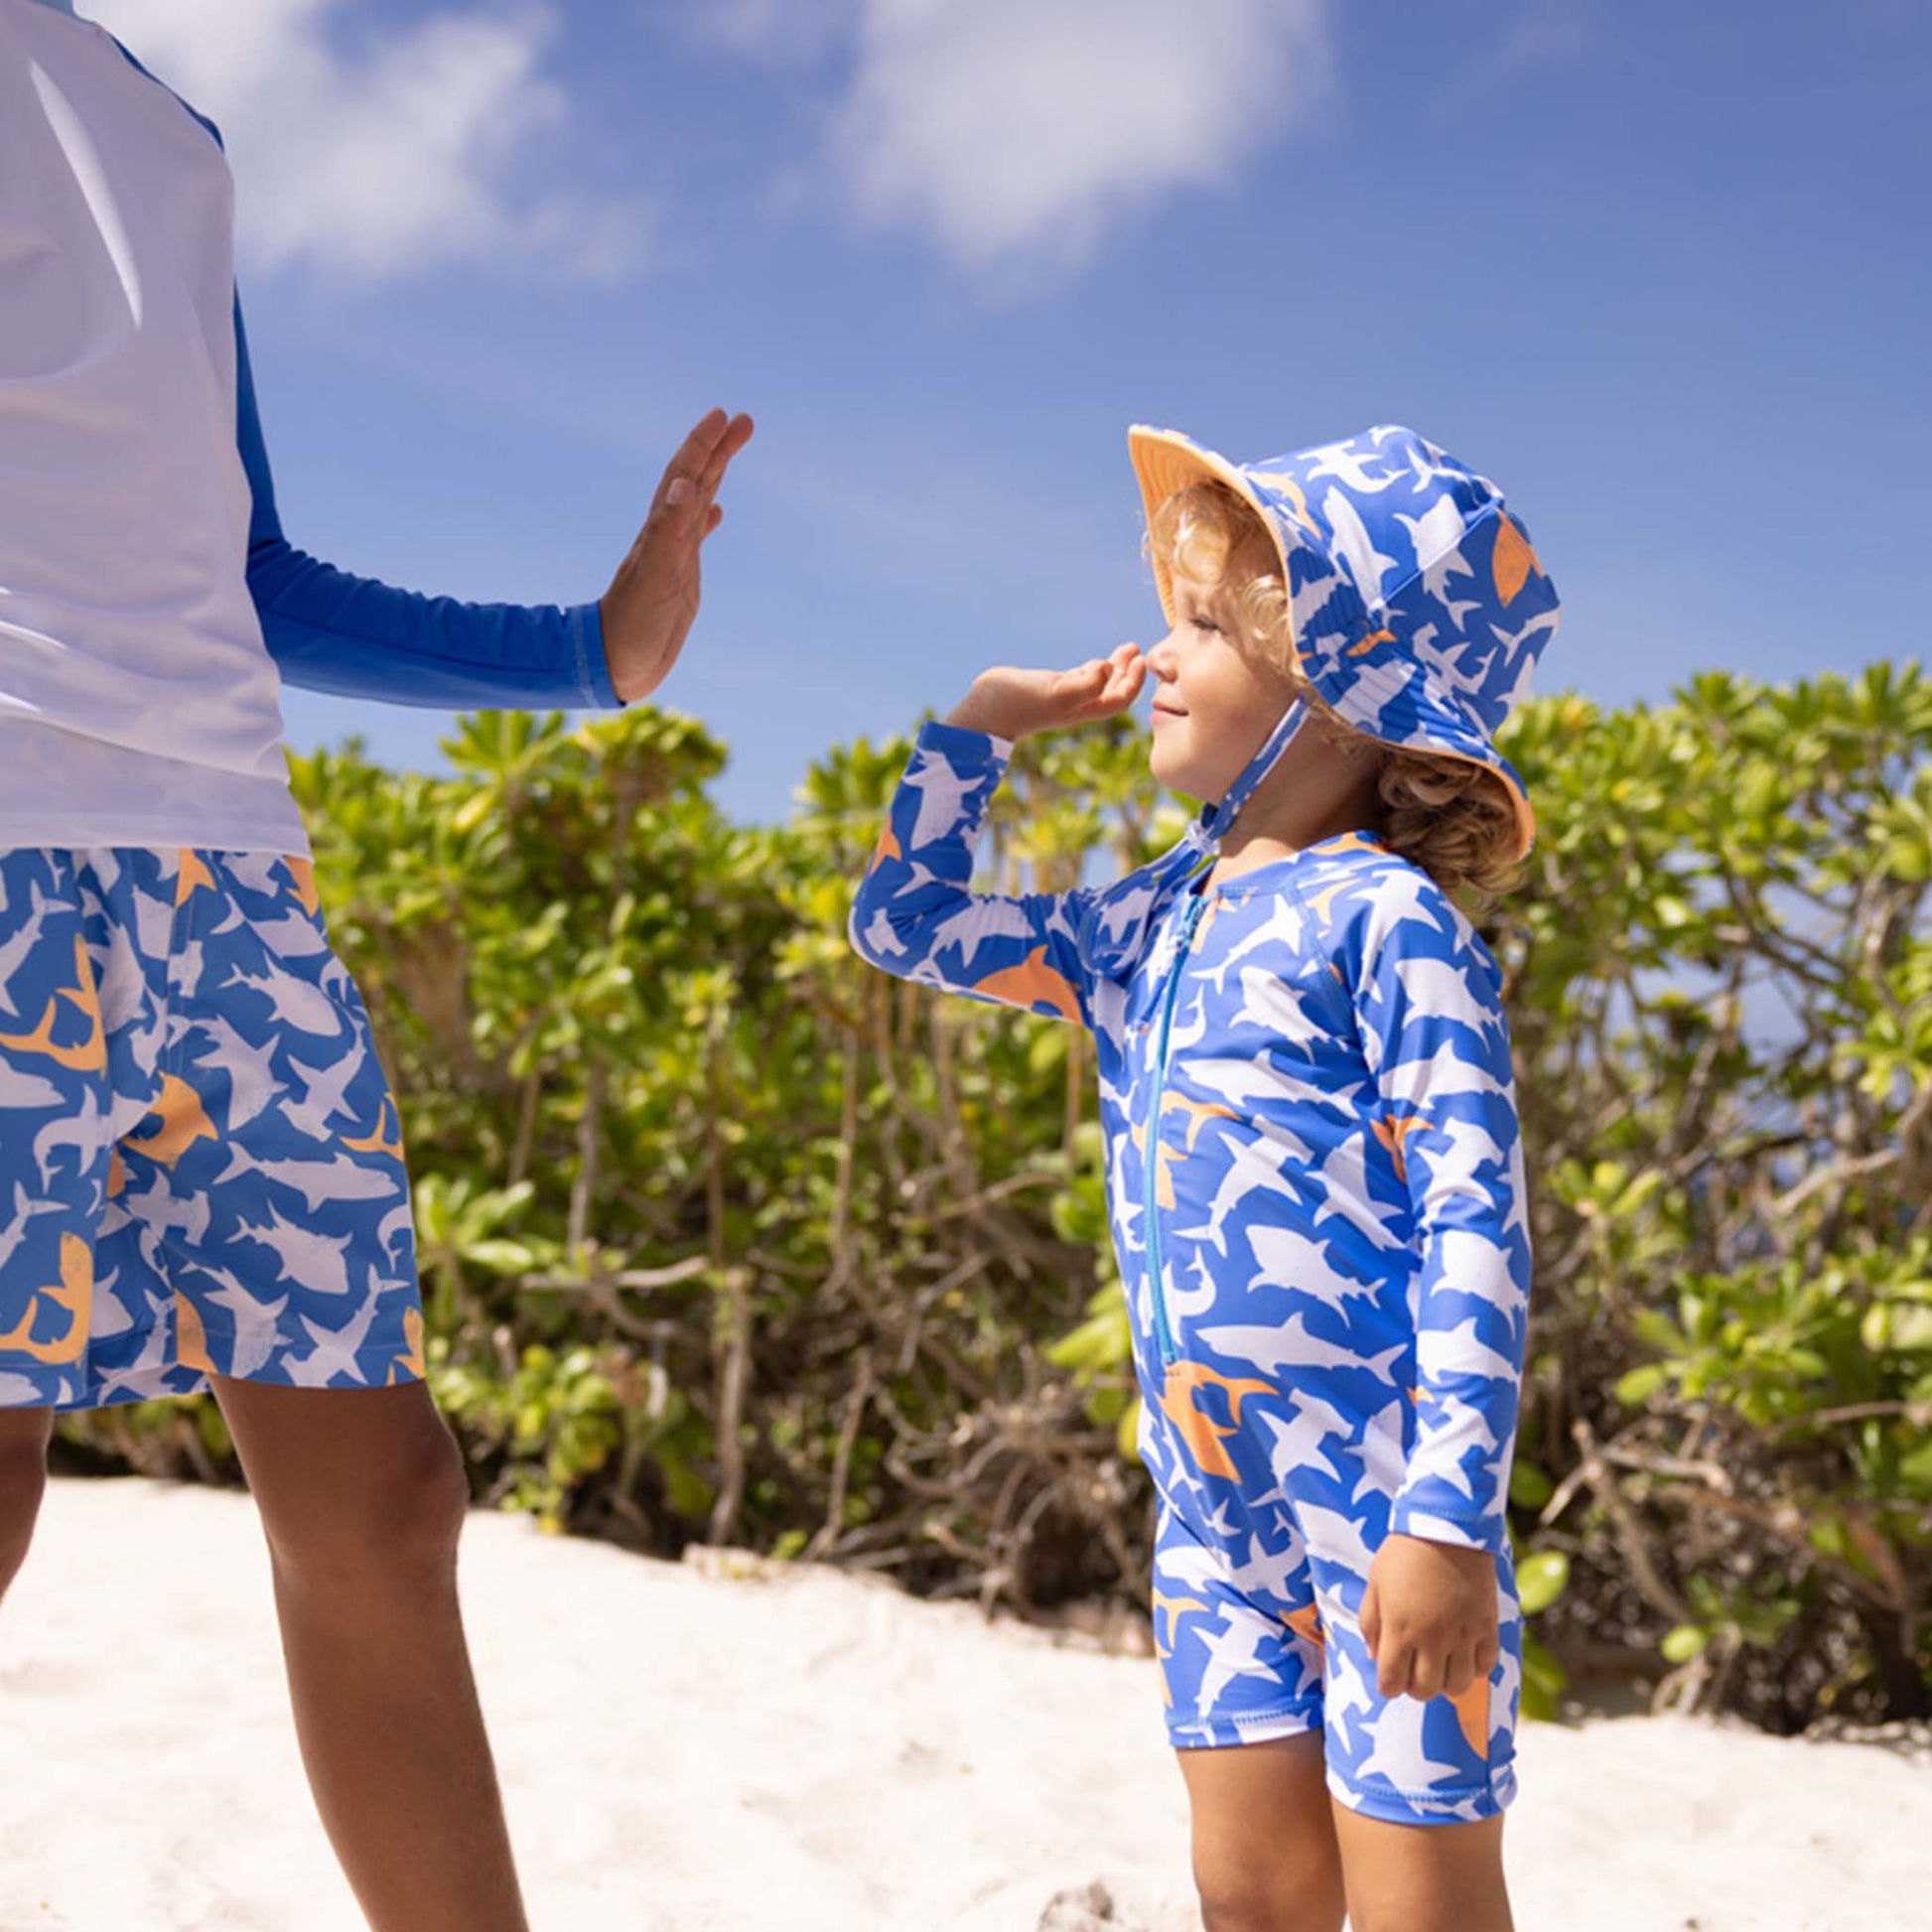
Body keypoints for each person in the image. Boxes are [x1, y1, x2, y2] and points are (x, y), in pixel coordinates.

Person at [0, 3, 751, 1928]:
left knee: (391, 1495)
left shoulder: (167, 130)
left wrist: (585, 653)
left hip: (231, 884)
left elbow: (234, 565)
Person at [848, 421, 1559, 1932]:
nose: (1154, 659)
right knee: (1245, 1889)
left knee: (1423, 1898)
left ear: (1343, 692)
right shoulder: (1136, 929)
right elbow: (899, 920)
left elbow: (1472, 1228)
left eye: (1204, 631)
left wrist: (1443, 1518)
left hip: (1385, 1504)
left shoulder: (1389, 921)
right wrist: (980, 724)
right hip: (1207, 1504)